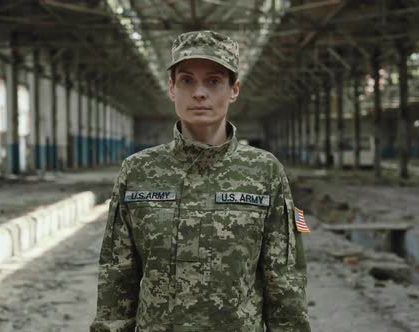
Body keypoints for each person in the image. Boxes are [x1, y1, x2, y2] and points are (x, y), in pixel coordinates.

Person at [90, 30, 311, 332]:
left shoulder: (265, 172)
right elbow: (116, 276)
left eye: (214, 81)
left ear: (234, 90)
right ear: (172, 88)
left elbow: (285, 277)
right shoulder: (137, 171)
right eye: (187, 80)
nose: (199, 93)